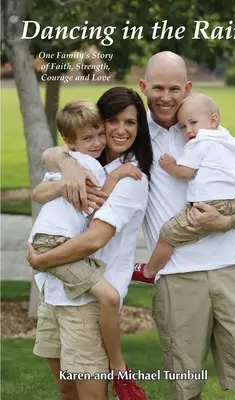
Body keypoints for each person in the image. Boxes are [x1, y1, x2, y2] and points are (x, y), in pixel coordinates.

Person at [30, 53, 235, 400]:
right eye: (157, 88)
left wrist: (226, 220)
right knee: (186, 388)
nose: (166, 96)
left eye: (174, 88)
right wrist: (65, 162)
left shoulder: (208, 132)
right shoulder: (136, 140)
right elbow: (69, 144)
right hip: (175, 275)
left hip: (230, 266)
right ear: (145, 87)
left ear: (187, 88)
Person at [27, 87, 153, 400]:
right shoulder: (82, 161)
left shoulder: (131, 177)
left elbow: (96, 237)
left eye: (131, 123)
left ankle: (118, 365)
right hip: (55, 293)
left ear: (140, 129)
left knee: (90, 395)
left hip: (85, 301)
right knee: (66, 390)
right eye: (112, 121)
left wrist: (42, 260)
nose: (120, 130)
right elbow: (40, 191)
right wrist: (66, 166)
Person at [137, 93, 235, 279]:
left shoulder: (197, 144)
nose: (188, 131)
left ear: (213, 120)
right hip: (234, 202)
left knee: (168, 234)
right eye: (183, 126)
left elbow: (186, 172)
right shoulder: (231, 142)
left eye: (193, 123)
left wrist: (171, 166)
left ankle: (149, 271)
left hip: (207, 205)